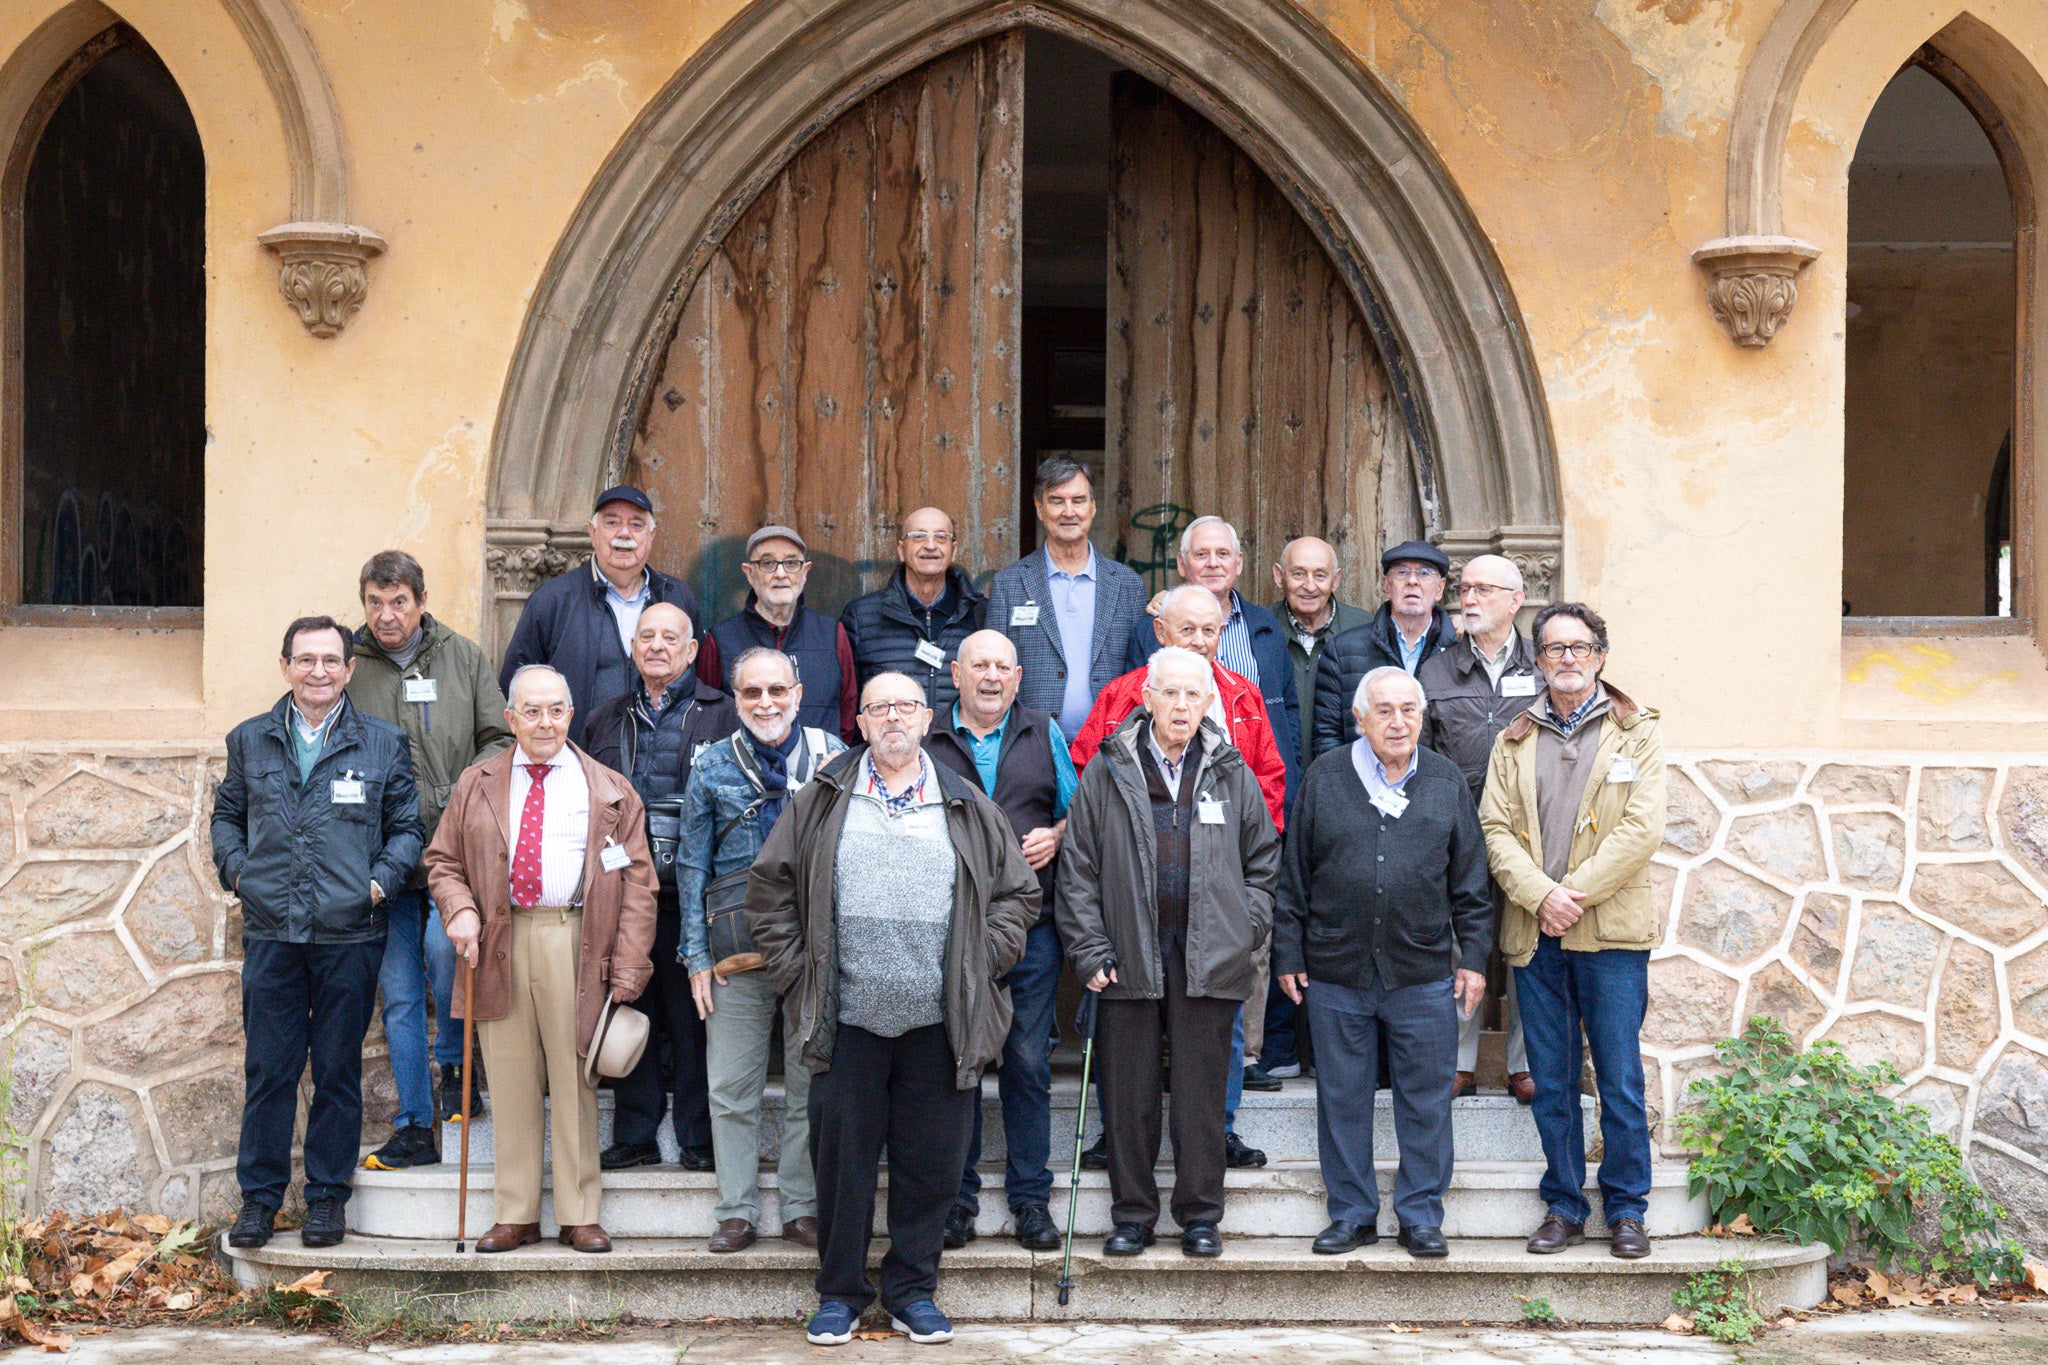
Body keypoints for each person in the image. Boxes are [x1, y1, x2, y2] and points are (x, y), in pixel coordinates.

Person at [749, 672, 1037, 1347]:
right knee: (842, 1165)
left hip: (941, 1022)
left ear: (927, 716)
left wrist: (978, 961)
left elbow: (1018, 896)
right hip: (845, 1017)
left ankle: (912, 1289)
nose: (893, 718)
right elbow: (769, 891)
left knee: (931, 1164)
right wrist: (798, 975)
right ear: (861, 720)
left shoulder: (965, 800)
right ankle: (840, 1293)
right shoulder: (822, 798)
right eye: (879, 707)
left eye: (905, 705)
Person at [425, 664, 659, 1255]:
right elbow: (443, 860)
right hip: (499, 939)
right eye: (531, 711)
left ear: (571, 715)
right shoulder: (476, 782)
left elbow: (638, 884)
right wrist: (459, 911)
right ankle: (517, 1211)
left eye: (555, 709)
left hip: (576, 939)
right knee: (508, 1077)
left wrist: (629, 968)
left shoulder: (608, 787)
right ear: (510, 719)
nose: (544, 722)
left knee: (575, 1076)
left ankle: (580, 1213)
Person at [1057, 647, 1280, 1259]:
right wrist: (1090, 948)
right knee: (1128, 1097)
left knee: (1202, 1097)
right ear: (1146, 699)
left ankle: (1201, 1216)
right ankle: (1132, 1216)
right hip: (1125, 954)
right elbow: (1077, 869)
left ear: (1208, 703)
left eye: (1192, 694)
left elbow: (1264, 865)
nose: (1181, 705)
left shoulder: (1232, 769)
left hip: (1210, 957)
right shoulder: (1109, 768)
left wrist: (1243, 930)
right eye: (1170, 693)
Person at [216, 616, 425, 1251]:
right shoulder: (250, 740)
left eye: (331, 661)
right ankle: (259, 1202)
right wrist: (239, 873)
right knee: (270, 1071)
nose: (319, 671)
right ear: (286, 666)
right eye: (306, 660)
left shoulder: (383, 743)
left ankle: (327, 1200)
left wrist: (380, 883)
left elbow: (408, 828)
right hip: (273, 932)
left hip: (349, 934)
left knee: (337, 1072)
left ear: (349, 669)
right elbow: (227, 815)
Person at [1275, 667, 1491, 1258]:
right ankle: (1351, 1214)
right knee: (1342, 1097)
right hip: (1335, 972)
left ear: (1421, 717)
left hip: (1421, 973)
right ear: (1360, 718)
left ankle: (1421, 1215)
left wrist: (1472, 959)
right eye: (1385, 711)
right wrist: (1288, 950)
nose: (1398, 722)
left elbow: (1471, 884)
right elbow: (1292, 875)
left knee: (1425, 1100)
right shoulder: (1325, 777)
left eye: (1409, 710)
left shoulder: (1445, 781)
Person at [1480, 603, 1666, 1261]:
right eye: (1554, 647)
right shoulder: (1513, 738)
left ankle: (1627, 1210)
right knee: (1552, 1079)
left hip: (1609, 934)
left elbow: (1641, 829)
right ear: (1538, 658)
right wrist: (1541, 896)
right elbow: (1495, 829)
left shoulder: (1636, 731)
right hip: (1537, 933)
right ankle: (1563, 1205)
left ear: (1600, 655)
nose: (1566, 657)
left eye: (1579, 646)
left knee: (1618, 1075)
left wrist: (1572, 895)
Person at [347, 551, 513, 1170]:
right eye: (374, 602)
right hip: (382, 860)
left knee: (447, 961)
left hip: (453, 853)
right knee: (398, 994)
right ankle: (415, 1123)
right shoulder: (351, 666)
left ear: (420, 601)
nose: (386, 616)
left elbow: (499, 738)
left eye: (398, 602)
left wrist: (456, 795)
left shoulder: (462, 656)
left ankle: (458, 1070)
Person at [676, 647, 843, 1254]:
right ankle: (736, 1210)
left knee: (808, 1087)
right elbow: (691, 866)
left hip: (814, 952)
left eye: (777, 691)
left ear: (798, 694)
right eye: (753, 693)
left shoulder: (833, 757)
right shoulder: (713, 765)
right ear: (736, 698)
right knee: (731, 1087)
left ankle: (801, 1207)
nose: (766, 703)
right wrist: (694, 955)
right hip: (735, 952)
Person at [923, 630, 1078, 1253]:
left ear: (1018, 678)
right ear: (956, 674)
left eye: (1002, 668)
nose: (991, 677)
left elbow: (1079, 812)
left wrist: (1058, 834)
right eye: (979, 665)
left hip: (1028, 929)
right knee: (953, 1064)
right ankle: (955, 1201)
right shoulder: (926, 733)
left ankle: (1030, 1201)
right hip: (944, 929)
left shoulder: (1043, 731)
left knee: (1027, 1063)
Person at [583, 603, 738, 1173]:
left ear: (692, 650)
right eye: (645, 636)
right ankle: (635, 1133)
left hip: (696, 891)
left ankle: (699, 1137)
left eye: (669, 637)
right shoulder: (604, 718)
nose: (656, 646)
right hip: (622, 892)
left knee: (696, 1013)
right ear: (632, 647)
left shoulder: (724, 714)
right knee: (630, 1002)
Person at [1417, 554, 1539, 1102]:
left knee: (1526, 945)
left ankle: (1524, 1063)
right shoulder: (1436, 670)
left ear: (1516, 599)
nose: (1468, 598)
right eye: (1464, 588)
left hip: (1529, 833)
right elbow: (1419, 757)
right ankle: (1458, 1062)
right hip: (1458, 828)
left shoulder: (1544, 669)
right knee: (1458, 945)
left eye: (1483, 589)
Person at [1254, 534, 1371, 1087]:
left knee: (1335, 918)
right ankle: (1276, 1042)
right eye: (1297, 574)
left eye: (1319, 575)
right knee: (1279, 912)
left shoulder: (1365, 631)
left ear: (1337, 579)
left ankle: (1332, 1048)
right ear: (1279, 575)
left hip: (1347, 794)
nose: (1308, 585)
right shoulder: (1255, 628)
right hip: (1272, 792)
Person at [499, 485, 702, 744]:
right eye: (612, 522)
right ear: (592, 532)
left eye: (637, 525)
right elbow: (515, 685)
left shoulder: (677, 598)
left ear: (652, 536)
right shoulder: (552, 600)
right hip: (578, 760)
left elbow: (699, 683)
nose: (624, 534)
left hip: (662, 764)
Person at [1126, 515, 1299, 807]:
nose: (1213, 563)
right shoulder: (1150, 629)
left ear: (1238, 563)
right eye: (1201, 554)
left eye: (1223, 554)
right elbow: (1132, 706)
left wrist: (1289, 769)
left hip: (1252, 790)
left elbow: (1286, 709)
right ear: (1182, 564)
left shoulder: (1265, 625)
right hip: (1167, 790)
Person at [984, 456, 1149, 738]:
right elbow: (993, 669)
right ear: (1039, 508)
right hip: (1030, 742)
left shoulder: (1127, 584)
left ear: (1093, 507)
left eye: (1078, 500)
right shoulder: (1009, 583)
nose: (1068, 511)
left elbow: (1141, 671)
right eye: (1057, 501)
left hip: (1112, 743)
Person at [697, 525, 858, 740]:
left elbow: (848, 709)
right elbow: (707, 714)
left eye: (791, 563)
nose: (780, 574)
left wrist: (834, 763)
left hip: (820, 770)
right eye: (768, 563)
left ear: (805, 572)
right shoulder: (721, 639)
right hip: (743, 769)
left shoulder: (831, 634)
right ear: (749, 573)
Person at [1311, 540, 1459, 757]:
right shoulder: (1342, 651)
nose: (1412, 581)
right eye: (1401, 573)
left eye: (1424, 573)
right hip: (1362, 783)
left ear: (1440, 589)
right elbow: (1327, 736)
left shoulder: (1460, 651)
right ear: (1387, 586)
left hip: (1436, 785)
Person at [840, 507, 986, 715]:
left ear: (953, 550)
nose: (930, 546)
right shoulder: (862, 617)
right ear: (901, 550)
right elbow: (848, 701)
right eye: (918, 537)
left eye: (941, 537)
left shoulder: (980, 614)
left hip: (960, 746)